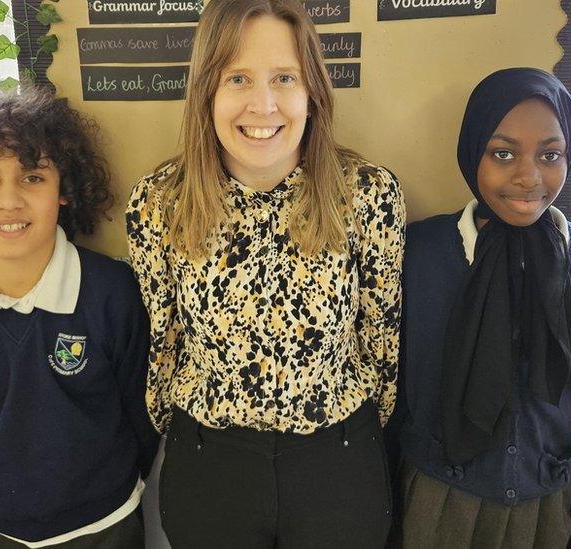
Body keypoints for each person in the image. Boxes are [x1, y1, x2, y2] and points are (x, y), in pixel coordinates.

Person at [126, 1, 405, 546]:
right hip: (210, 466)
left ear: (312, 92)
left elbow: (381, 338)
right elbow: (163, 341)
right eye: (237, 78)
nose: (264, 104)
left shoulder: (368, 195)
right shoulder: (159, 202)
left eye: (284, 78)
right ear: (206, 89)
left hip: (337, 463)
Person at [0, 89, 158, 547]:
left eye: (33, 177)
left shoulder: (114, 294)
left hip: (106, 525)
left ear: (64, 190)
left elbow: (141, 419)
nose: (8, 201)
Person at [388, 68, 571, 548]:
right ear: (472, 151)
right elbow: (393, 399)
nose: (528, 176)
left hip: (545, 513)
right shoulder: (417, 254)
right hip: (436, 502)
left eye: (550, 155)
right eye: (503, 153)